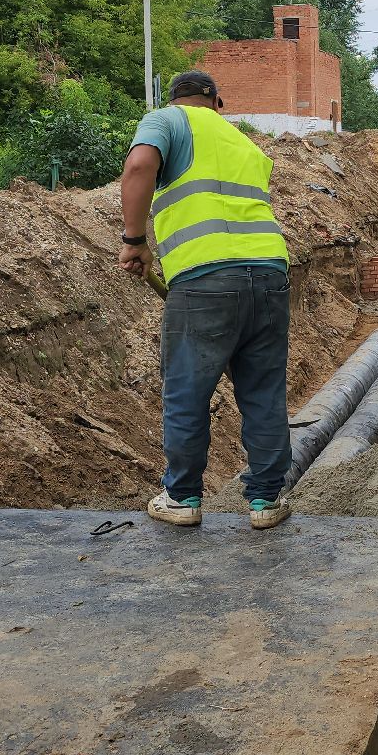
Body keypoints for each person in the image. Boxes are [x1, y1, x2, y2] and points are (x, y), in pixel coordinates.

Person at [119, 70, 292, 530]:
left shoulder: (166, 119)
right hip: (270, 273)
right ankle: (266, 502)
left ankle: (182, 499)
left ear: (175, 99)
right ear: (218, 103)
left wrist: (134, 239)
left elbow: (138, 166)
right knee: (264, 392)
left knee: (187, 393)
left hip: (204, 282)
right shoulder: (245, 143)